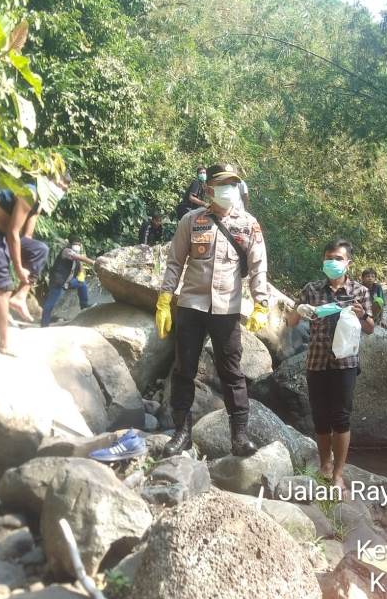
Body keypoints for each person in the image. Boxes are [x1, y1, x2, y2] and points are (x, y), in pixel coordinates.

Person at [156, 162, 270, 458]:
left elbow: (259, 266)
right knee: (184, 370)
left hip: (227, 309)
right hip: (192, 305)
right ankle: (182, 434)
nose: (228, 189)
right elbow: (174, 262)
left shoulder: (249, 224)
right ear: (209, 190)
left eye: (233, 184)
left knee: (231, 372)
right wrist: (165, 298)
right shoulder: (191, 221)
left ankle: (239, 437)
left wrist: (261, 303)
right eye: (222, 184)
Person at [287, 239, 374, 493]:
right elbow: (291, 322)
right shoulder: (312, 289)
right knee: (320, 417)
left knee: (341, 417)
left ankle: (338, 474)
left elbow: (370, 328)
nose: (332, 262)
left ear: (348, 262)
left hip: (345, 363)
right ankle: (325, 466)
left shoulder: (359, 291)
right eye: (328, 258)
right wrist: (300, 310)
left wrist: (362, 315)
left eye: (337, 258)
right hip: (316, 360)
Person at [0, 174, 70, 355]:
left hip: (1, 235)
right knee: (3, 288)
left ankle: (20, 297)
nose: (60, 190)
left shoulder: (41, 203)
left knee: (40, 249)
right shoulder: (30, 193)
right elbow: (12, 233)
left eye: (64, 188)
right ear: (47, 180)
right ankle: (4, 344)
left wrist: (25, 278)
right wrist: (18, 267)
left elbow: (26, 239)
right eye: (58, 184)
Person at [40, 236, 97, 327]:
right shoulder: (66, 251)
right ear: (70, 244)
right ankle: (44, 323)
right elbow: (77, 257)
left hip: (68, 282)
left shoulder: (76, 258)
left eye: (78, 245)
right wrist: (93, 263)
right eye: (75, 244)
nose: (77, 246)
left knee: (82, 284)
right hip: (58, 283)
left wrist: (81, 274)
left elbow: (79, 264)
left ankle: (84, 305)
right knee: (51, 302)